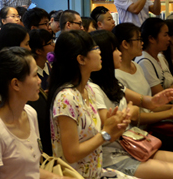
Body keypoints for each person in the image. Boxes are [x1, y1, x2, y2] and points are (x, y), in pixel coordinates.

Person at [89, 30, 173, 179]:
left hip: (133, 143)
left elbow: (145, 101)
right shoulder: (93, 88)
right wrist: (131, 112)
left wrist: (157, 101)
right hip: (115, 154)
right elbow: (111, 129)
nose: (119, 53)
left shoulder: (113, 82)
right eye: (115, 50)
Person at [49, 30, 133, 179]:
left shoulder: (88, 89)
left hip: (96, 173)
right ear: (81, 59)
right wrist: (105, 132)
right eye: (95, 48)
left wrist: (116, 126)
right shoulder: (66, 98)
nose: (100, 52)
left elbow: (102, 137)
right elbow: (72, 154)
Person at [112, 23, 173, 158]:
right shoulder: (118, 76)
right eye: (138, 39)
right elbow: (136, 117)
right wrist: (170, 112)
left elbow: (150, 105)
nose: (142, 43)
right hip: (139, 134)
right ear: (125, 44)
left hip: (152, 126)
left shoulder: (136, 66)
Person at [0, 47, 62, 179]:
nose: (40, 80)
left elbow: (31, 171)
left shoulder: (30, 113)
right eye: (35, 75)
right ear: (16, 84)